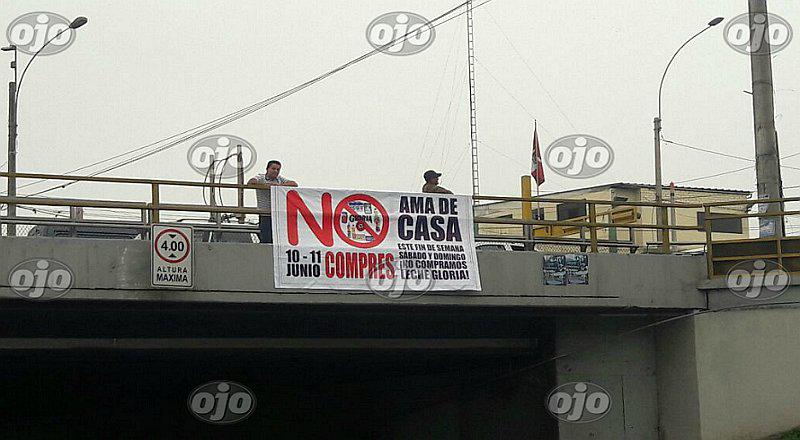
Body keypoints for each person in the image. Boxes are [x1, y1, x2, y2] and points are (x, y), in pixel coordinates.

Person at [248, 160, 297, 243]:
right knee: (266, 238)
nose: (276, 171)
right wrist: (268, 186)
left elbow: (294, 184)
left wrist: (279, 186)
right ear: (267, 169)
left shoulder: (279, 179)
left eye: (278, 169)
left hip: (277, 214)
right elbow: (251, 182)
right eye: (273, 168)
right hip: (265, 213)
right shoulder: (261, 177)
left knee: (278, 238)